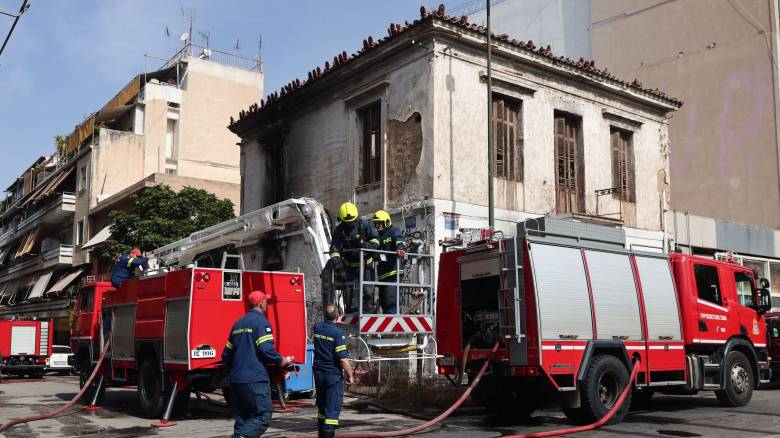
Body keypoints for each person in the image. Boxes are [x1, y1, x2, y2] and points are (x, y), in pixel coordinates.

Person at [222, 290, 292, 438]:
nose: (267, 304)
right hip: (254, 380)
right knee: (263, 416)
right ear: (261, 304)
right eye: (266, 301)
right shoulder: (261, 323)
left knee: (242, 420)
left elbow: (226, 354)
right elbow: (266, 349)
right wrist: (282, 361)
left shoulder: (237, 324)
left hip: (236, 381)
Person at [329, 202, 380, 313]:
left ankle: (368, 313)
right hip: (350, 268)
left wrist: (366, 246)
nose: (350, 223)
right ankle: (352, 313)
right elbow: (334, 250)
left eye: (352, 221)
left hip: (366, 265)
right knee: (351, 294)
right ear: (342, 220)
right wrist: (339, 268)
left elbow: (376, 239)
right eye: (347, 222)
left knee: (368, 292)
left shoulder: (364, 225)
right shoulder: (339, 231)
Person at [313, 304, 354, 438]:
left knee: (322, 407)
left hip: (319, 373)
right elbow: (342, 359)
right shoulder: (338, 333)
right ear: (337, 316)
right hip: (332, 375)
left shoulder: (317, 327)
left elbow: (326, 328)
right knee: (332, 411)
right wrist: (350, 374)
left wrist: (335, 320)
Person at [372, 210, 406, 314]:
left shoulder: (393, 231)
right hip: (383, 275)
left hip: (392, 273)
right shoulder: (378, 237)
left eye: (379, 223)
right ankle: (386, 326)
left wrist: (400, 247)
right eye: (376, 223)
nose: (377, 225)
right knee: (383, 302)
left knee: (390, 302)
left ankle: (391, 326)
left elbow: (399, 239)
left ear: (386, 222)